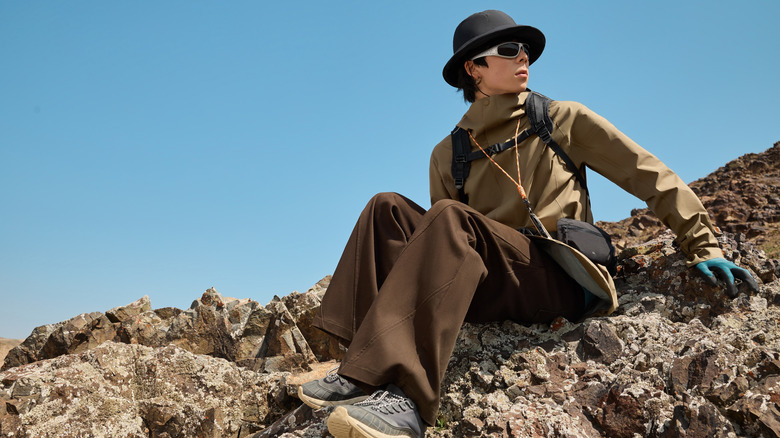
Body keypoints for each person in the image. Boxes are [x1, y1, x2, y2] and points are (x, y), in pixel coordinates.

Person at [297, 9, 759, 438]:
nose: (523, 57)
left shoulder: (562, 119)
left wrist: (703, 243)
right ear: (473, 70)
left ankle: (410, 403)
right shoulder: (448, 153)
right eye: (506, 50)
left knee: (451, 218)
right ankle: (359, 368)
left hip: (561, 277)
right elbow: (434, 248)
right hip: (493, 281)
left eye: (524, 49)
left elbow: (649, 175)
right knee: (387, 207)